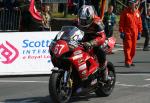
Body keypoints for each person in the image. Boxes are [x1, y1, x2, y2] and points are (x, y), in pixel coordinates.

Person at [76, 5, 108, 81]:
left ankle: (103, 70)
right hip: (85, 38)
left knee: (99, 50)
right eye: (82, 20)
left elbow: (102, 37)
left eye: (85, 20)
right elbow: (70, 30)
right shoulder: (77, 21)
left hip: (97, 39)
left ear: (91, 17)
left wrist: (91, 43)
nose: (83, 22)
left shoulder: (97, 22)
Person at [119, 0, 142, 68]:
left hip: (135, 33)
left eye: (133, 3)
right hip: (127, 33)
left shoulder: (137, 12)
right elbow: (121, 23)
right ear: (129, 4)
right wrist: (122, 31)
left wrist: (140, 32)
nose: (132, 4)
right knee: (128, 47)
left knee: (133, 49)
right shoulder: (125, 12)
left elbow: (139, 23)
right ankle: (127, 62)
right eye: (130, 3)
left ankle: (130, 60)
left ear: (135, 4)